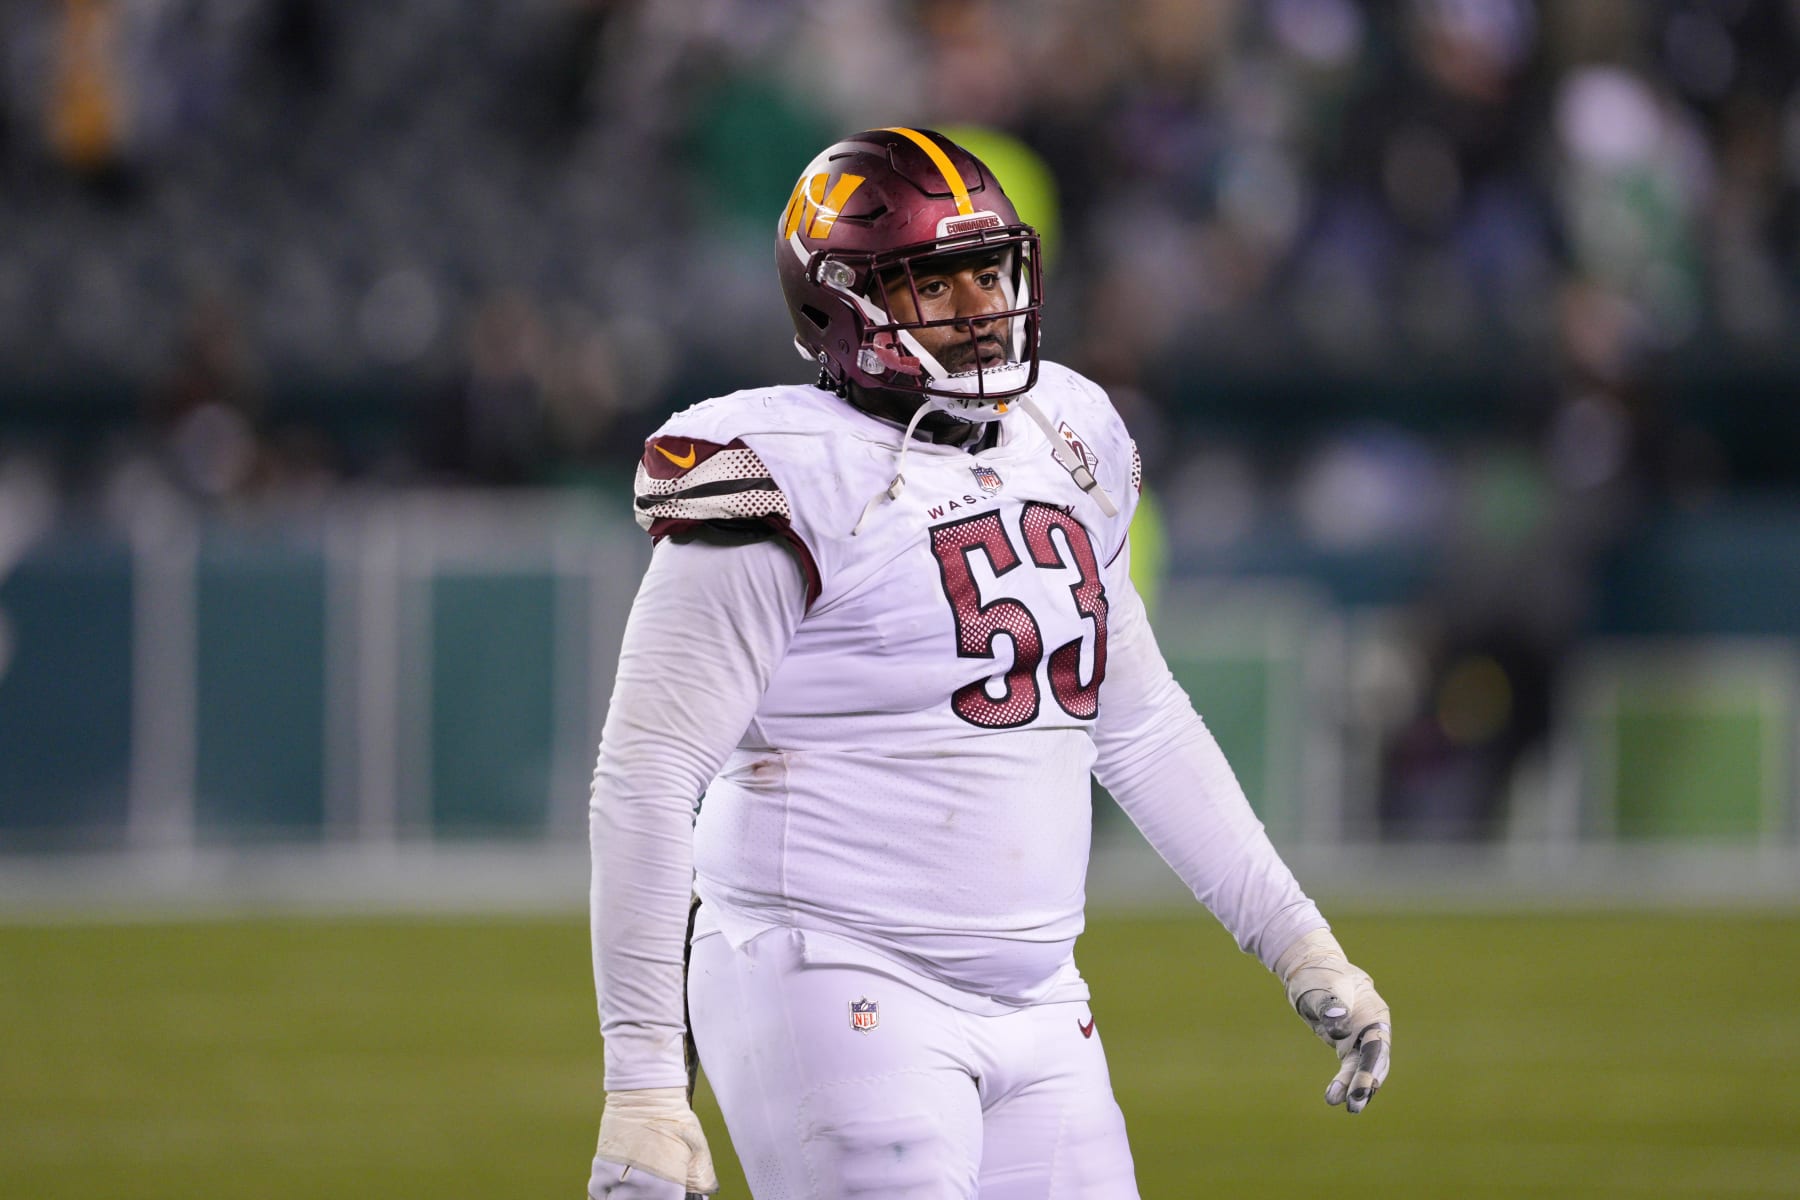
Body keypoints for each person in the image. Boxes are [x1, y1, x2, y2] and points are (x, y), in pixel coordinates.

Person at [587, 127, 1391, 1199]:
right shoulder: (782, 470)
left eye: (987, 268)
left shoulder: (1066, 431)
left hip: (1042, 998)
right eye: (932, 278)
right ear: (843, 303)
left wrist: (1299, 941)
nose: (977, 304)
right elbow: (647, 775)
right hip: (833, 973)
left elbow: (1141, 723)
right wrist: (642, 1079)